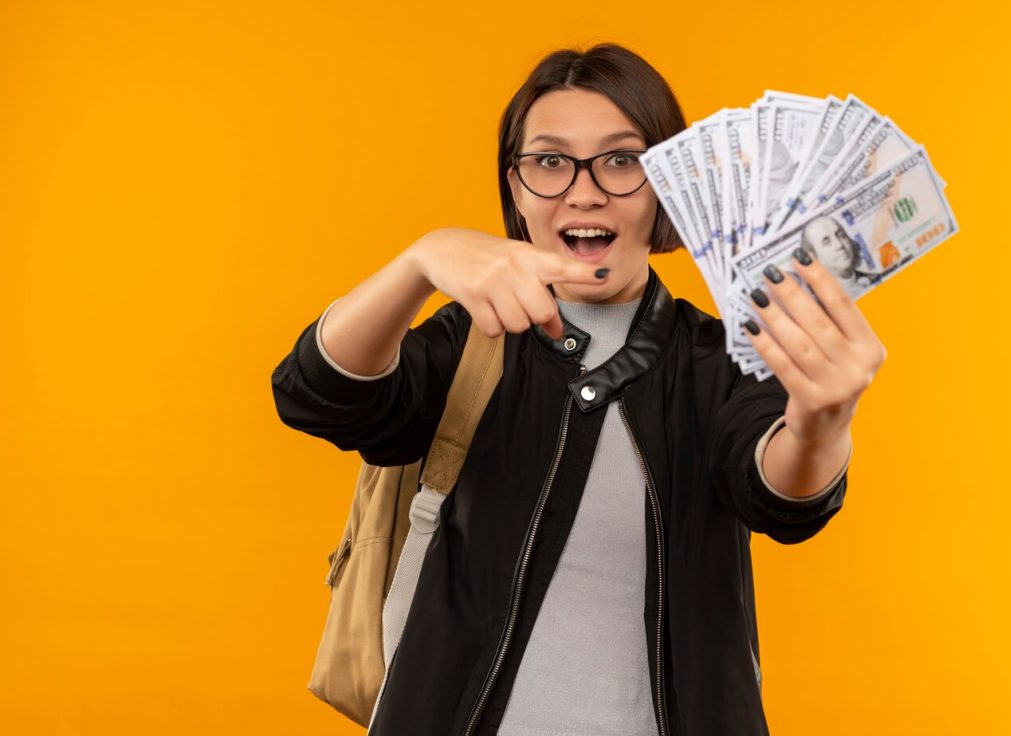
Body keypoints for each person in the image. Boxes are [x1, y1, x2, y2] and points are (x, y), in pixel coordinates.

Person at [271, 43, 887, 735]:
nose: (584, 190)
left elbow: (781, 496)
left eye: (622, 160)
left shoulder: (719, 363)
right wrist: (419, 259)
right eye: (550, 161)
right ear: (516, 187)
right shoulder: (473, 341)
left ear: (670, 187)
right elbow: (317, 394)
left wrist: (821, 422)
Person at [800, 215, 879, 292]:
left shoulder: (879, 279)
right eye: (826, 242)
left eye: (840, 235)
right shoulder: (817, 302)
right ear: (812, 256)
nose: (839, 245)